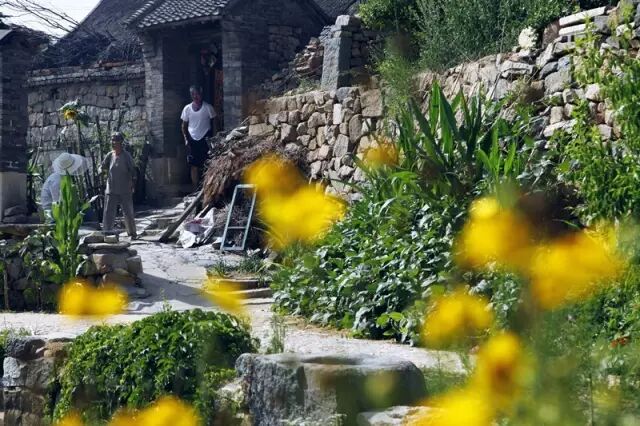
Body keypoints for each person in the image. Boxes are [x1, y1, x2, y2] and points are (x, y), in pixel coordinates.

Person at [100, 132, 137, 239]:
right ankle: (107, 232)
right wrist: (100, 171)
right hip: (111, 188)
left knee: (128, 212)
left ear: (120, 142)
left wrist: (133, 184)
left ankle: (132, 233)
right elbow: (102, 166)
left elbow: (133, 171)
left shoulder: (126, 156)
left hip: (125, 189)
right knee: (108, 212)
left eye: (115, 140)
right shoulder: (110, 155)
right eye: (112, 140)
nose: (113, 142)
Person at [181, 85, 216, 189]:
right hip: (192, 139)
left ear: (201, 94)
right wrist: (186, 139)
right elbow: (184, 125)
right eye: (193, 94)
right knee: (194, 165)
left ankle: (207, 187)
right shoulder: (187, 109)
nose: (195, 96)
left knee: (207, 163)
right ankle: (195, 188)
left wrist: (215, 138)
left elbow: (215, 123)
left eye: (197, 94)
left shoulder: (208, 107)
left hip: (205, 138)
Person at [41, 153, 87, 223]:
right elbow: (57, 202)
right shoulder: (56, 180)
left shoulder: (64, 178)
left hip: (63, 210)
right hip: (52, 214)